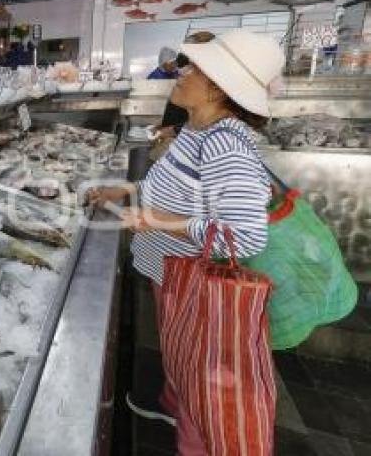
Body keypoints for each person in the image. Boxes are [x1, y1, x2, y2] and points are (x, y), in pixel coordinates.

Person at [89, 29, 279, 455]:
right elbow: (176, 187)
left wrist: (156, 221)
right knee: (182, 356)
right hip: (172, 274)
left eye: (194, 67)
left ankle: (195, 440)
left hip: (193, 278)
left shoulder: (225, 143)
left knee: (201, 372)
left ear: (218, 86)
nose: (182, 71)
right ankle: (175, 404)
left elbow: (245, 234)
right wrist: (126, 192)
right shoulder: (195, 128)